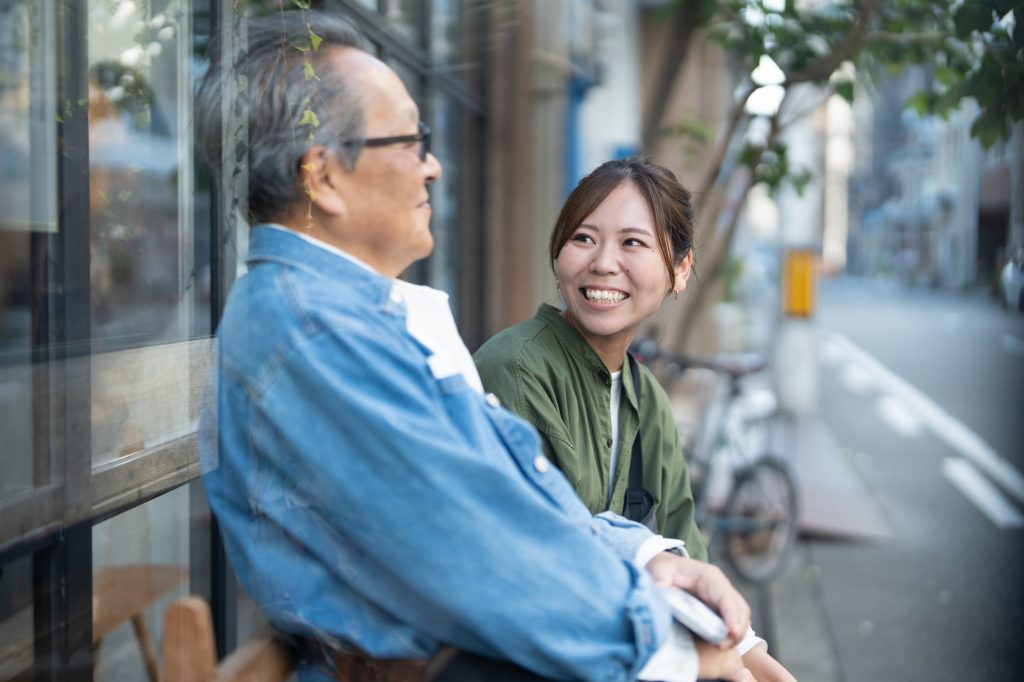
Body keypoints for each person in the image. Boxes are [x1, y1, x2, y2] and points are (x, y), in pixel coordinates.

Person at [196, 10, 757, 682]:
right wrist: (680, 651)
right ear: (323, 178)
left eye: (635, 244)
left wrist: (647, 561)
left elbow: (502, 503)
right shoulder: (315, 332)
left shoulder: (346, 317)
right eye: (410, 141)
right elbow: (478, 546)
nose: (432, 166)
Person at [473, 158, 796, 682]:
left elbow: (685, 553)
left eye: (632, 243)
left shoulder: (646, 398)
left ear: (681, 269)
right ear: (557, 251)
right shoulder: (516, 369)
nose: (602, 263)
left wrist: (754, 658)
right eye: (583, 237)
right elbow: (544, 563)